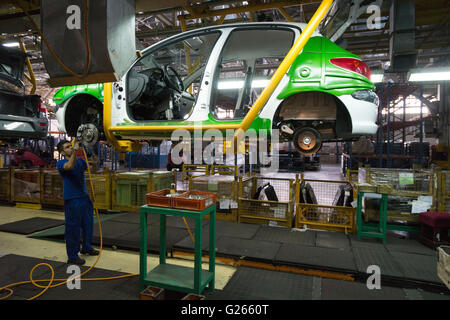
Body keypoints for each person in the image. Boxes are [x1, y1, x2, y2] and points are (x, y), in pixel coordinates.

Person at [56, 139, 98, 265]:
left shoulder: (80, 161)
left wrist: (92, 152)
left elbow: (93, 167)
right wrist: (75, 151)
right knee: (73, 227)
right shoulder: (61, 163)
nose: (70, 148)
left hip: (84, 197)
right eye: (67, 147)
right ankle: (72, 256)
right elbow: (69, 166)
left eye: (71, 146)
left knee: (88, 224)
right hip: (72, 199)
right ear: (62, 152)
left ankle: (86, 247)